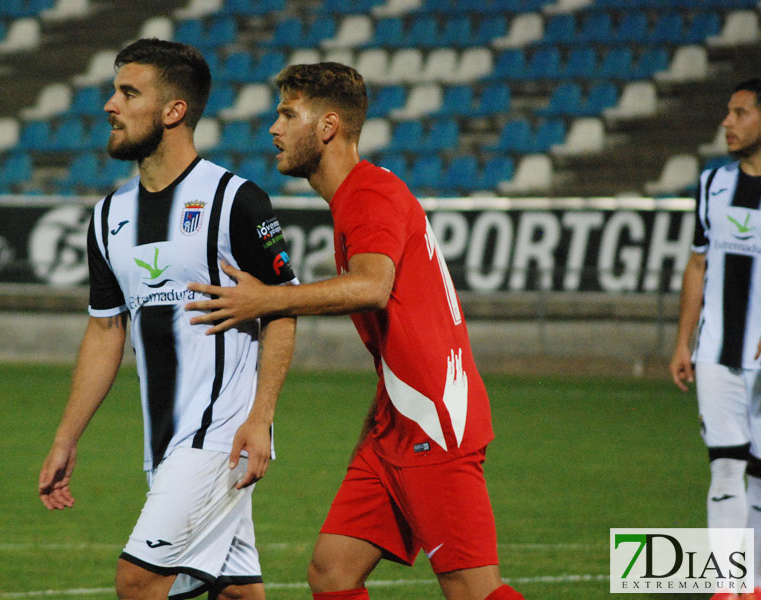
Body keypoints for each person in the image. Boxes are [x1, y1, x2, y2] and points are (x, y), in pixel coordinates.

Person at [186, 62, 523, 600]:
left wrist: (267, 298)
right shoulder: (361, 196)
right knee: (332, 572)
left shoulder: (368, 196)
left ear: (327, 127)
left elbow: (371, 287)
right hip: (397, 418)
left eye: (287, 115)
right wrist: (374, 424)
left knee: (472, 589)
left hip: (435, 420)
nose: (273, 128)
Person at [37, 38, 298, 600]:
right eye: (114, 90)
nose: (110, 104)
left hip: (221, 437)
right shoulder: (108, 216)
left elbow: (284, 307)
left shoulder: (236, 200)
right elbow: (107, 328)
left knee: (137, 581)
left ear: (174, 111)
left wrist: (262, 418)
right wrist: (66, 437)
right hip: (164, 445)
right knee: (235, 593)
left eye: (129, 93)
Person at [670, 78, 761, 600]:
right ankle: (727, 587)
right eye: (728, 112)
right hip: (718, 355)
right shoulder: (712, 184)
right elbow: (699, 264)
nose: (727, 122)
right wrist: (684, 342)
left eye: (740, 112)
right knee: (726, 466)